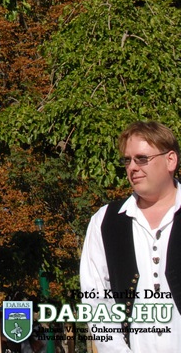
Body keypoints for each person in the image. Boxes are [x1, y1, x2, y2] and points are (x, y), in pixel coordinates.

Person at [80, 121, 181, 352]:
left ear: (170, 160)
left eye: (142, 158)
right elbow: (96, 300)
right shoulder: (105, 221)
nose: (132, 167)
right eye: (127, 160)